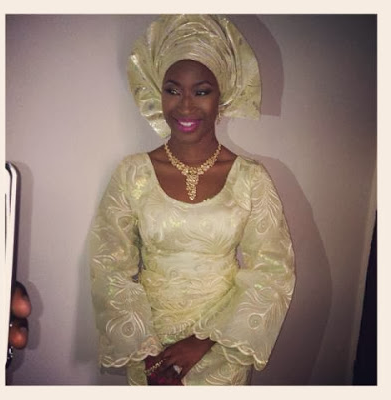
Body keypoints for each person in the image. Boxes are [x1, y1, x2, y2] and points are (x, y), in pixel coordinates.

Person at [89, 14, 295, 385]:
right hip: (149, 350)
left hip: (222, 351)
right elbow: (109, 267)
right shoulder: (132, 174)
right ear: (158, 93)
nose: (185, 106)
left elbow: (273, 271)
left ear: (223, 96)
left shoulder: (251, 178)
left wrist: (202, 342)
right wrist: (146, 350)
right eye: (173, 90)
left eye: (201, 91)